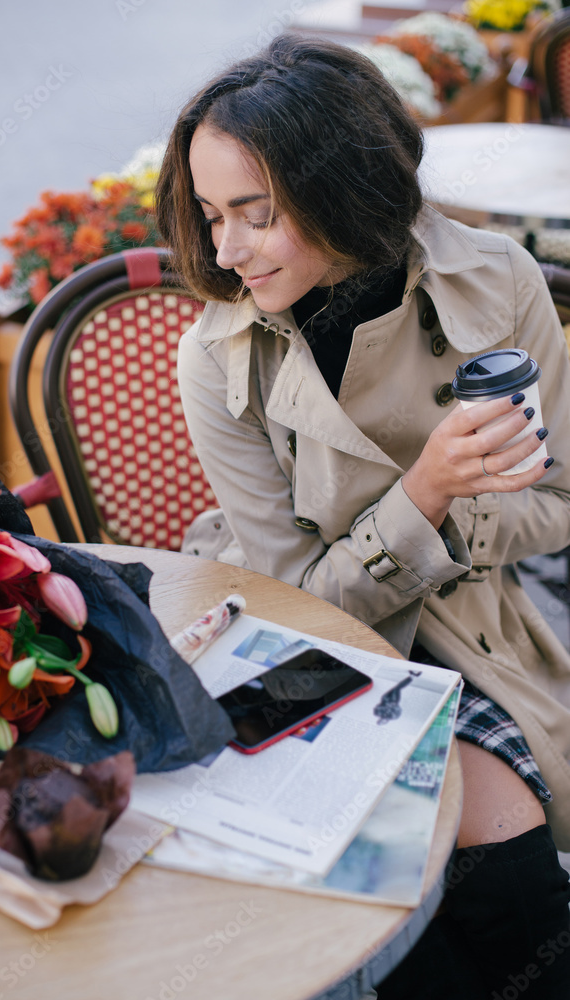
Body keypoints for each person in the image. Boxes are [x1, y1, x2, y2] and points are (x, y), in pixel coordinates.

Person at [155, 33, 570, 999]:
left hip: (475, 632)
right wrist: (425, 492)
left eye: (254, 216)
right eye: (211, 215)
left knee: (504, 887)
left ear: (341, 189)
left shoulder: (497, 280)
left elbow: (559, 502)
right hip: (303, 652)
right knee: (418, 925)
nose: (223, 252)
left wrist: (456, 518)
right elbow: (298, 600)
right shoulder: (215, 357)